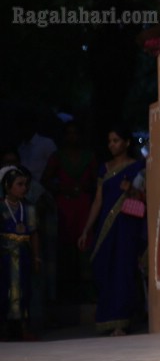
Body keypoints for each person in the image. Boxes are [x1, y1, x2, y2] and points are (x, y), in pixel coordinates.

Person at [78, 128, 147, 336]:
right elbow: (98, 201)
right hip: (106, 227)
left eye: (116, 140)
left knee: (123, 270)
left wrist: (130, 190)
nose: (112, 145)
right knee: (104, 269)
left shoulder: (138, 166)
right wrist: (86, 230)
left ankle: (121, 322)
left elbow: (144, 197)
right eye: (109, 141)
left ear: (126, 142)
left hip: (126, 225)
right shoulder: (104, 169)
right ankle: (106, 319)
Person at [42, 121, 98, 292]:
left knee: (85, 241)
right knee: (65, 243)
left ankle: (86, 285)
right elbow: (45, 180)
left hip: (84, 204)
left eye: (75, 133)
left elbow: (97, 181)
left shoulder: (89, 157)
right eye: (69, 133)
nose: (72, 136)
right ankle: (65, 287)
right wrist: (61, 188)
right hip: (64, 205)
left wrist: (85, 187)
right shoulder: (57, 156)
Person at [1, 165, 40, 341]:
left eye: (25, 184)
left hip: (23, 255)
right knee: (4, 291)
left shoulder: (29, 208)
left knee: (24, 291)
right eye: (19, 184)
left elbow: (33, 234)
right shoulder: (1, 208)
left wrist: (36, 257)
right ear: (8, 186)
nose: (24, 188)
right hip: (5, 257)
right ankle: (3, 328)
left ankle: (23, 328)